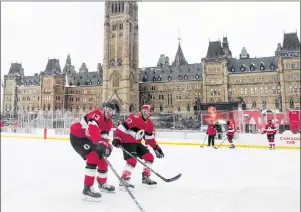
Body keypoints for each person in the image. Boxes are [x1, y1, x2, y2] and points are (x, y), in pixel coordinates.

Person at [69, 101, 117, 201]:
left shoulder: (109, 122)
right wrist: (100, 143)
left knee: (102, 158)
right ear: (102, 109)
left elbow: (104, 138)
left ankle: (102, 183)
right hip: (78, 137)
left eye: (111, 111)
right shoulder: (96, 114)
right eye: (107, 109)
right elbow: (93, 129)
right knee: (93, 156)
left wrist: (107, 146)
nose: (108, 112)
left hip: (90, 139)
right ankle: (87, 188)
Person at [112, 104, 164, 189]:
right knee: (132, 159)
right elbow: (120, 128)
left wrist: (156, 148)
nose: (146, 113)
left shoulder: (149, 124)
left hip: (137, 143)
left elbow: (149, 138)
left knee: (149, 157)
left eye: (148, 112)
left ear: (150, 113)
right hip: (126, 142)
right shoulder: (134, 118)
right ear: (141, 112)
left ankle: (145, 177)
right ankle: (124, 178)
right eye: (144, 111)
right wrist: (117, 138)